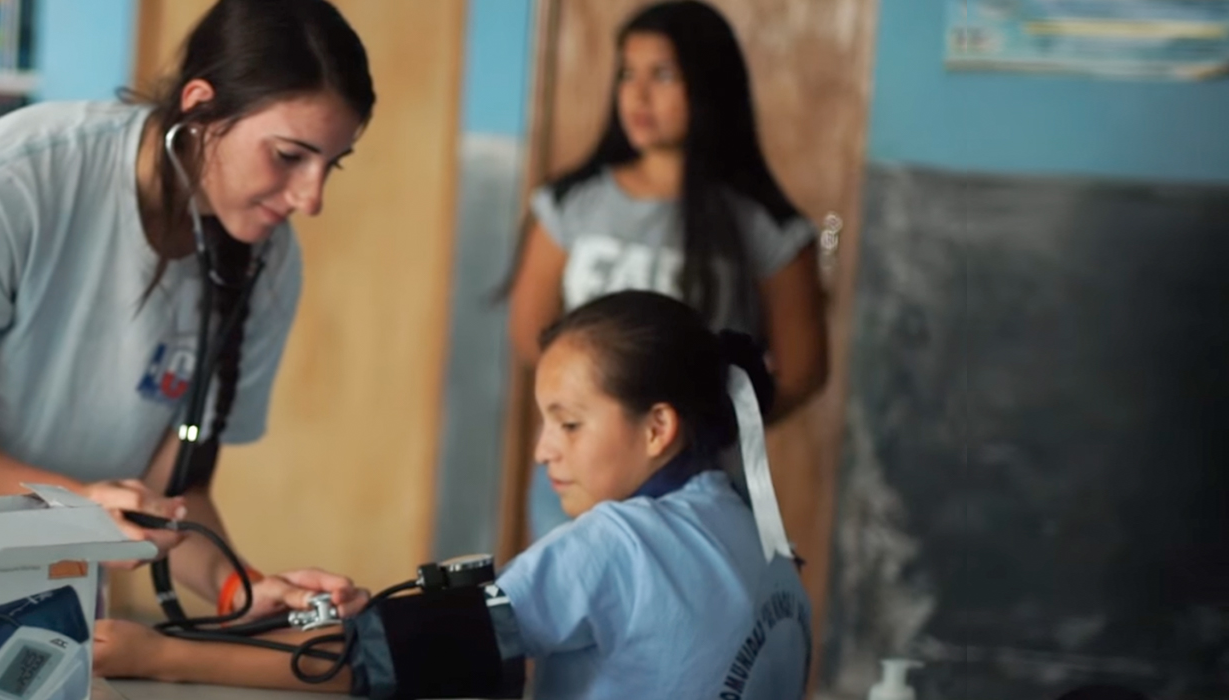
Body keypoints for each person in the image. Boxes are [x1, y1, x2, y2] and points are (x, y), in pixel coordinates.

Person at [0, 0, 376, 622]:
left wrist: (241, 591)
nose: (311, 199)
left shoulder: (265, 265)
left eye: (329, 166)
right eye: (289, 156)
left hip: (61, 530)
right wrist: (77, 509)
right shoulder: (10, 179)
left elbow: (174, 493)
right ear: (201, 107)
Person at [93, 291, 812, 700]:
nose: (542, 450)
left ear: (657, 427)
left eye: (568, 423)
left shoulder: (615, 545)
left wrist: (157, 656)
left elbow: (388, 660)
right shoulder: (760, 538)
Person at [505, 0, 828, 539]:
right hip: (577, 483)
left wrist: (709, 431)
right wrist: (589, 428)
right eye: (628, 73)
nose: (638, 93)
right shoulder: (572, 206)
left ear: (709, 87)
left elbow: (804, 368)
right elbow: (528, 334)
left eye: (663, 74)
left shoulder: (762, 226)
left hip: (698, 494)